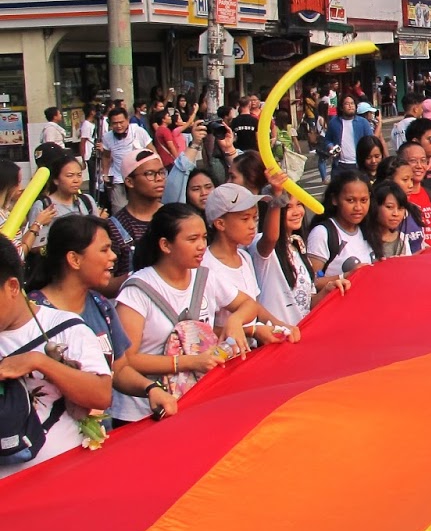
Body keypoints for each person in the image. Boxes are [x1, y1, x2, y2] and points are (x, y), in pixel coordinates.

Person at [113, 204, 267, 423]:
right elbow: (127, 360)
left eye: (204, 238)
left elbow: (248, 304)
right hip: (143, 412)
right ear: (165, 245)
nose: (201, 246)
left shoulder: (205, 278)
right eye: (192, 239)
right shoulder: (137, 291)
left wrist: (235, 320)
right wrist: (190, 362)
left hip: (194, 402)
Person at [28, 214, 179, 426]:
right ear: (74, 259)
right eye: (104, 249)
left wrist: (151, 389)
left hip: (100, 441)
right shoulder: (32, 314)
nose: (113, 256)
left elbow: (119, 369)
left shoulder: (102, 305)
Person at [0, 239, 112, 476]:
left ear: (12, 287)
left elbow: (101, 395)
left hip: (63, 477)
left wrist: (38, 361)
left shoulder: (65, 327)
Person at [202, 182, 301, 341]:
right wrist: (252, 330)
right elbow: (204, 328)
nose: (252, 226)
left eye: (254, 218)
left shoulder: (244, 257)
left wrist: (280, 325)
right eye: (245, 219)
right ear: (220, 223)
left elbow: (255, 307)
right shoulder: (205, 267)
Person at [107, 147, 168, 289]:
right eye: (150, 174)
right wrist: (139, 276)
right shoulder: (113, 227)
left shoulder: (173, 217)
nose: (159, 179)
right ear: (129, 182)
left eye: (161, 172)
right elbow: (104, 283)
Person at [253, 193, 315, 327]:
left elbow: (307, 301)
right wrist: (276, 196)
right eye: (287, 207)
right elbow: (270, 238)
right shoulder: (261, 244)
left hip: (300, 334)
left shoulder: (297, 245)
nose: (297, 212)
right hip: (277, 337)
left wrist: (330, 288)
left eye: (299, 204)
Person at [306, 170, 376, 287]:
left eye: (363, 200)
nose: (358, 207)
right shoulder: (322, 233)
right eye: (350, 200)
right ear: (335, 199)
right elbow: (311, 283)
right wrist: (346, 275)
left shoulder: (368, 228)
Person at [24, 151, 97, 255]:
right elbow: (33, 246)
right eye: (70, 176)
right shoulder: (43, 205)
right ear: (56, 180)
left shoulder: (87, 201)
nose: (76, 180)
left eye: (79, 175)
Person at [98, 105, 152, 213]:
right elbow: (106, 156)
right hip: (118, 178)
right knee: (119, 209)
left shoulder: (138, 131)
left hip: (139, 177)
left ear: (127, 120)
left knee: (141, 208)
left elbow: (152, 151)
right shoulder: (107, 137)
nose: (118, 126)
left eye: (121, 122)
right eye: (115, 123)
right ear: (110, 123)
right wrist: (105, 174)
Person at [365, 180, 425, 259]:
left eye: (400, 208)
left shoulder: (402, 240)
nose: (396, 214)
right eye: (389, 207)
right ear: (375, 206)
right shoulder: (362, 239)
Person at [326, 95, 372, 172]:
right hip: (339, 165)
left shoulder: (363, 122)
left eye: (352, 103)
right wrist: (330, 146)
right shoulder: (334, 122)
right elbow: (327, 139)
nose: (350, 106)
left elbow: (371, 142)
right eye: (347, 104)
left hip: (358, 165)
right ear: (341, 107)